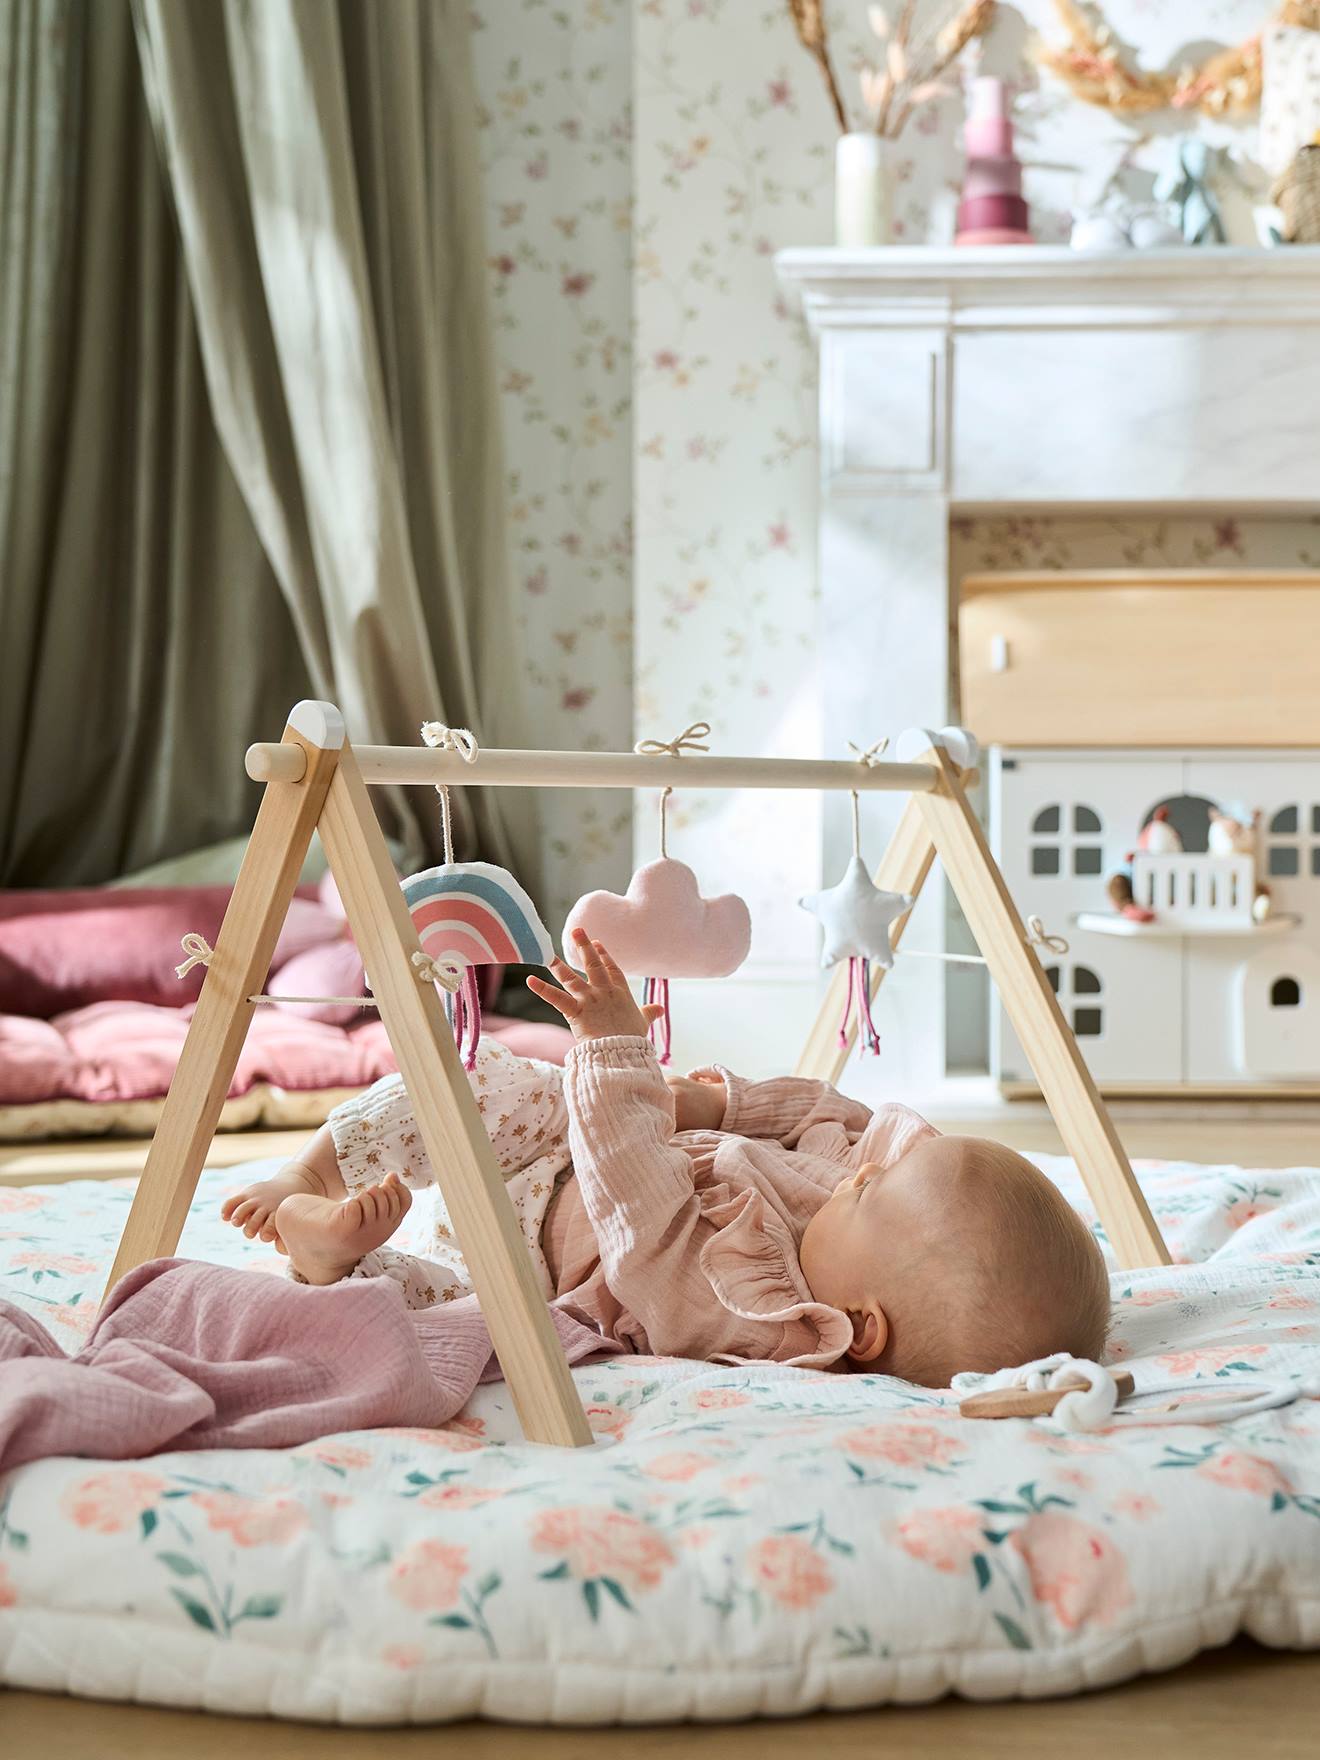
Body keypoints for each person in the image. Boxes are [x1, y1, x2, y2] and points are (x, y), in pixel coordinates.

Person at [223, 930, 1109, 1387]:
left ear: (860, 1324)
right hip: (554, 1146)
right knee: (490, 1081)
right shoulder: (859, 1192)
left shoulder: (759, 1313)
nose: (862, 1171)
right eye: (885, 1167)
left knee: (458, 1318)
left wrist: (614, 1054)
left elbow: (642, 1225)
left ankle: (332, 1258)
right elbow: (833, 1111)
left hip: (538, 1261)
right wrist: (716, 1102)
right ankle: (315, 1167)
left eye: (873, 1194)